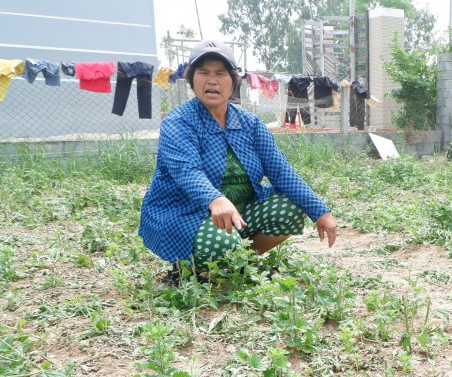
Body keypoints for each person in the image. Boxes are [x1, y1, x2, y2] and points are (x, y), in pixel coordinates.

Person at [139, 39, 337, 279]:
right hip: (187, 214)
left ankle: (240, 264)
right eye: (203, 73)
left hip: (240, 214)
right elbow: (186, 170)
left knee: (291, 208)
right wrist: (214, 198)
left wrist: (320, 210)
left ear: (233, 81)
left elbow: (280, 171)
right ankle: (193, 268)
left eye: (221, 73)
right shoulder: (179, 122)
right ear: (192, 80)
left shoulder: (250, 123)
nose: (212, 80)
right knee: (219, 239)